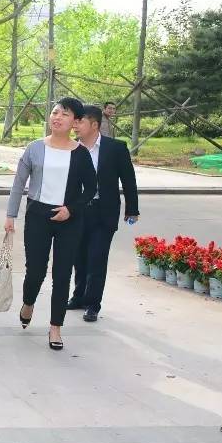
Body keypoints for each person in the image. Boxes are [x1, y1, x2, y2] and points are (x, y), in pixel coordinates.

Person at [5, 97, 97, 351]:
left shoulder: (81, 154)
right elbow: (18, 183)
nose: (57, 118)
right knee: (35, 270)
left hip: (69, 219)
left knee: (62, 274)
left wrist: (71, 210)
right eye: (55, 112)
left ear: (75, 122)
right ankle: (28, 302)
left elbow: (91, 189)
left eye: (65, 114)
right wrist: (10, 215)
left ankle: (55, 326)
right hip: (38, 215)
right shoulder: (34, 148)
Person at [68, 104, 139, 322]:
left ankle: (92, 304)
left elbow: (128, 179)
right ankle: (78, 296)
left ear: (94, 125)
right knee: (78, 257)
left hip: (103, 211)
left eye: (80, 121)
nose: (75, 125)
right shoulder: (71, 148)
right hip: (77, 211)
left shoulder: (115, 148)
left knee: (97, 258)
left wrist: (132, 209)